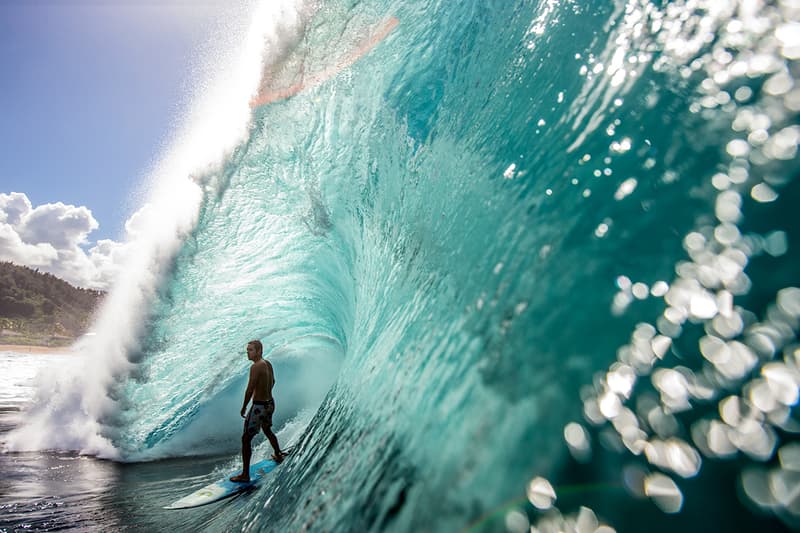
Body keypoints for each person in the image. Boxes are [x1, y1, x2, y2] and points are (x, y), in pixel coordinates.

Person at [230, 339, 285, 483]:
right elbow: (273, 382)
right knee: (267, 430)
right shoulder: (267, 363)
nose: (247, 352)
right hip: (270, 404)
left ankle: (245, 475)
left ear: (259, 351)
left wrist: (244, 406)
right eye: (247, 350)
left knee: (245, 439)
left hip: (259, 407)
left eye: (251, 350)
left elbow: (250, 388)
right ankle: (278, 454)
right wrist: (265, 391)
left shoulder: (256, 366)